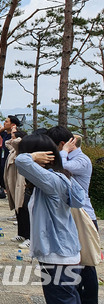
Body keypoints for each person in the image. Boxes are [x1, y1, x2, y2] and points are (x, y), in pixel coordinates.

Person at [15, 134, 86, 304]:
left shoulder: (51, 181)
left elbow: (21, 162)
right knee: (69, 298)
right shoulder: (58, 177)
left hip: (58, 256)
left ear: (43, 156)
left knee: (62, 299)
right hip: (63, 254)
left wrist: (32, 157)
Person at [47, 126, 98, 304]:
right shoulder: (67, 155)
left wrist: (65, 151)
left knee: (86, 264)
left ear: (62, 144)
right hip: (70, 215)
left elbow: (61, 168)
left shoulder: (82, 160)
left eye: (54, 146)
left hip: (84, 216)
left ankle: (89, 300)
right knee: (74, 262)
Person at [3, 129, 30, 249]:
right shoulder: (14, 150)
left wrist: (18, 136)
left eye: (13, 136)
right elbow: (7, 143)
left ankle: (29, 237)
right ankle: (22, 233)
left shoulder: (21, 149)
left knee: (24, 209)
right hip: (13, 183)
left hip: (20, 183)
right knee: (18, 210)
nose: (11, 139)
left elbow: (15, 142)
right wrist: (13, 136)